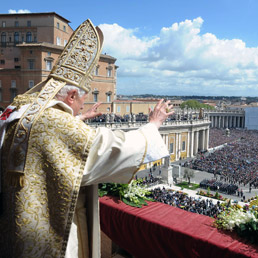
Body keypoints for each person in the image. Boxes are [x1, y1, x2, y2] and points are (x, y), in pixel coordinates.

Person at [0, 19, 174, 258]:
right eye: (81, 101)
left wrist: (77, 119)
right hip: (51, 241)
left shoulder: (22, 111)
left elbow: (40, 134)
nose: (83, 106)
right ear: (71, 95)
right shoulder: (60, 124)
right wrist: (152, 126)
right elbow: (113, 150)